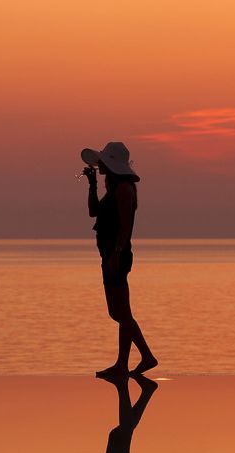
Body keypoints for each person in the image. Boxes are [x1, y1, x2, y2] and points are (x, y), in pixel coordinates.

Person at [81, 142, 158, 378]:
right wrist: (92, 184)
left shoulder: (124, 189)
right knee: (116, 312)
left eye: (103, 161)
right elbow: (93, 211)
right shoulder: (113, 187)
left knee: (122, 311)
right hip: (109, 254)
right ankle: (144, 357)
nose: (100, 164)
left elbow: (125, 226)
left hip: (118, 254)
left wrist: (116, 253)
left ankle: (125, 364)